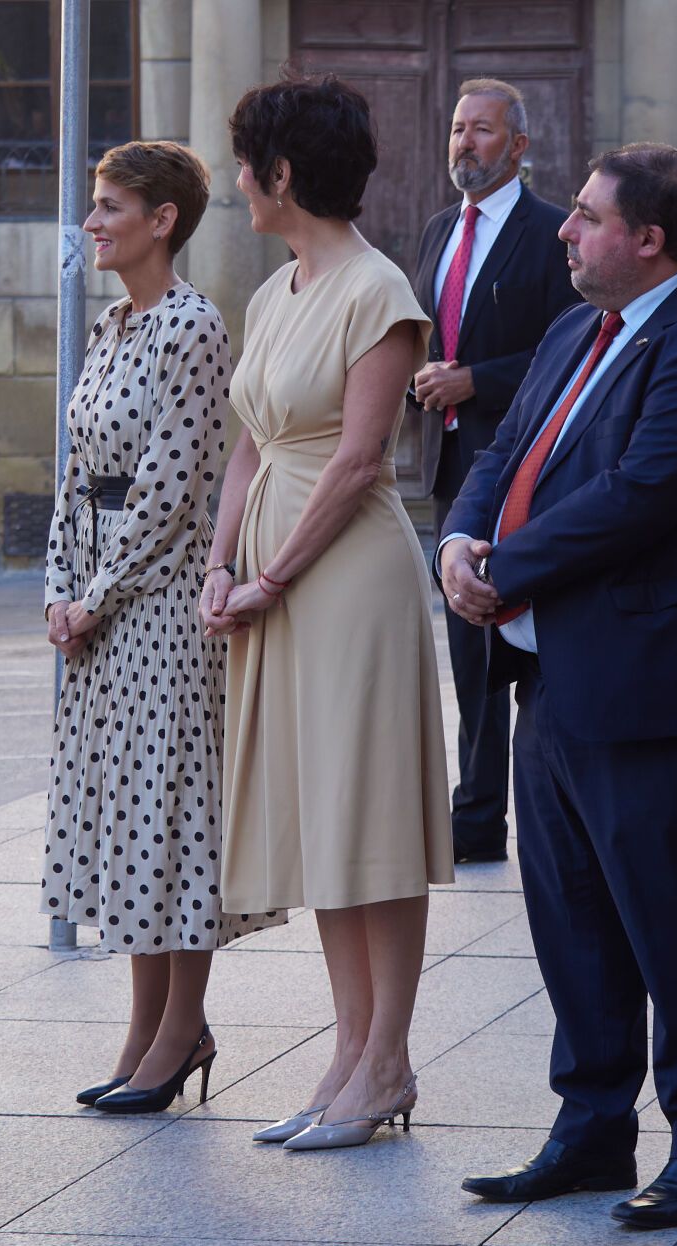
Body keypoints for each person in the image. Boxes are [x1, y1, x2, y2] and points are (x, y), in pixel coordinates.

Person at [441, 144, 677, 1229]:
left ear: (648, 240)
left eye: (584, 218)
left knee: (669, 916)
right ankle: (588, 1129)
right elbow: (500, 452)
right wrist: (458, 537)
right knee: (570, 912)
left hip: (651, 679)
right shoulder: (572, 328)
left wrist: (505, 568)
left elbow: (639, 496)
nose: (563, 232)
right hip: (548, 668)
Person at [201, 75, 453, 1150]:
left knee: (370, 820)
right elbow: (250, 442)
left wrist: (273, 576)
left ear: (283, 173)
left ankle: (386, 1055)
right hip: (273, 574)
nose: (235, 185)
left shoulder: (376, 288)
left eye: (245, 165)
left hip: (346, 579)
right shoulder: (274, 292)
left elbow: (358, 460)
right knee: (322, 817)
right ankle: (347, 1048)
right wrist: (218, 565)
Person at [41, 142, 275, 1113]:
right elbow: (76, 479)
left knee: (169, 816)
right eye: (94, 208)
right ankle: (145, 1030)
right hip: (97, 605)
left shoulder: (192, 326)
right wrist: (57, 585)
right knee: (124, 816)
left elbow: (171, 486)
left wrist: (96, 594)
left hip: (160, 609)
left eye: (108, 208)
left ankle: (181, 1029)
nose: (92, 224)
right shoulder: (109, 325)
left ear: (161, 220)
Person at [409, 79, 578, 866]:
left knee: (535, 652)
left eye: (481, 131)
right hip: (452, 468)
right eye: (456, 129)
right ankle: (477, 819)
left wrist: (476, 378)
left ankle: (551, 802)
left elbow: (570, 350)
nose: (463, 144)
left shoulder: (553, 234)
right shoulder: (441, 229)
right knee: (470, 654)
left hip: (530, 475)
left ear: (519, 146)